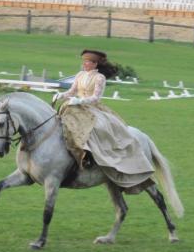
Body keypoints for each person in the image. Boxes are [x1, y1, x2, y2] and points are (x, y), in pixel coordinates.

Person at [54, 49, 154, 191]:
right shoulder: (80, 75)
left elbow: (96, 97)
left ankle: (89, 157)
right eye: (85, 61)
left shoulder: (99, 78)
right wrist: (61, 95)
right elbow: (72, 91)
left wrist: (79, 100)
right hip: (73, 107)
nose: (85, 64)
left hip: (91, 108)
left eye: (88, 62)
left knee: (93, 129)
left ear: (95, 64)